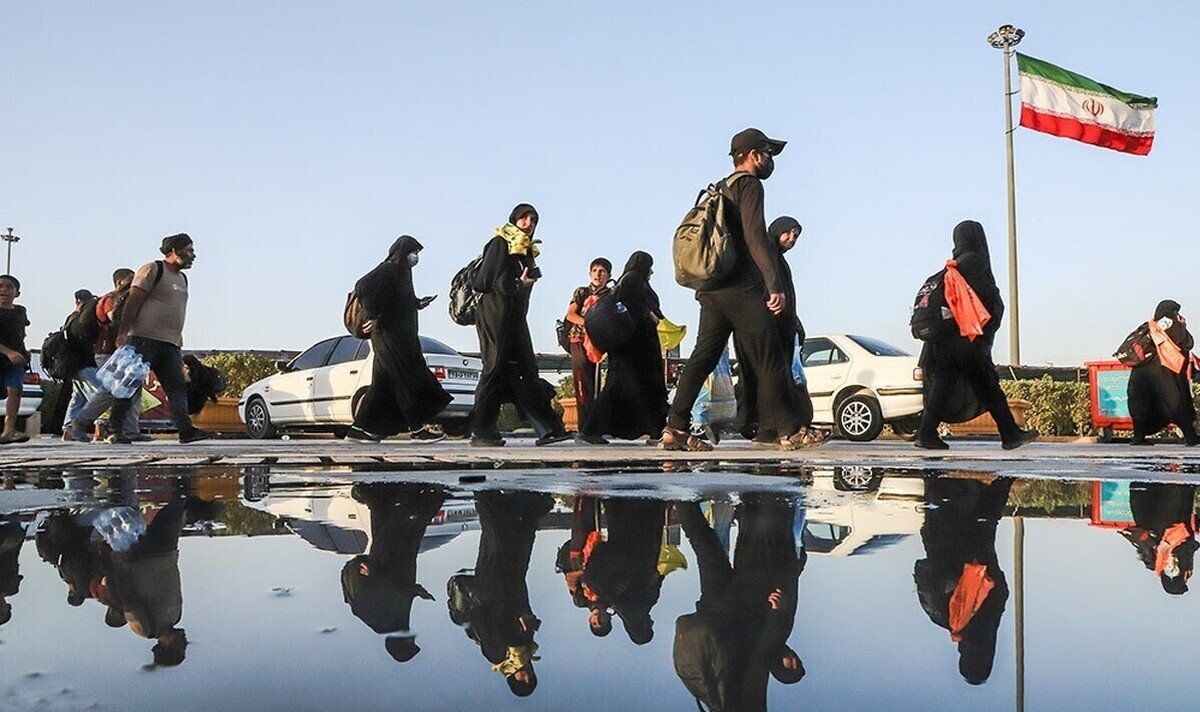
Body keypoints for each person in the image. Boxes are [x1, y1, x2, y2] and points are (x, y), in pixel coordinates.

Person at [662, 129, 812, 452]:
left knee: (702, 357)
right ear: (752, 155)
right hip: (741, 289)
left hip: (712, 291)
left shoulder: (721, 188)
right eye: (767, 153)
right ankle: (789, 430)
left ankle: (674, 427)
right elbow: (756, 237)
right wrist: (773, 283)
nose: (770, 160)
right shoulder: (749, 185)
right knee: (769, 355)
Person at [674, 494, 807, 710]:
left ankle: (681, 490)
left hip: (734, 603)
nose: (794, 659)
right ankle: (679, 492)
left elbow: (761, 653)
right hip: (714, 612)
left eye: (792, 665)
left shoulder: (754, 684)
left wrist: (775, 614)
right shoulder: (719, 696)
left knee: (706, 543)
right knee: (704, 543)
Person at [914, 221, 1038, 450]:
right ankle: (1010, 434)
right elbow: (986, 301)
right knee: (987, 385)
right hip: (965, 339)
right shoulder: (974, 262)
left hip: (944, 340)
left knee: (946, 385)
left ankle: (926, 433)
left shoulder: (950, 267)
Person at [470, 204, 570, 447]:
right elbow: (484, 281)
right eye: (524, 218)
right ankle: (481, 431)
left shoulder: (525, 250)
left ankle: (550, 428)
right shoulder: (500, 243)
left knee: (524, 373)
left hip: (514, 321)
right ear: (514, 219)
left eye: (533, 219)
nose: (529, 223)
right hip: (495, 321)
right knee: (493, 372)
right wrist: (517, 284)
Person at [107, 234, 213, 444]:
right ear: (173, 250)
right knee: (128, 384)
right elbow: (133, 302)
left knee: (177, 388)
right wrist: (123, 333)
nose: (193, 255)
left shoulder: (183, 278)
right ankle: (115, 430)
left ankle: (185, 430)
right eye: (189, 250)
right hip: (143, 339)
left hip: (171, 343)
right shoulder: (153, 269)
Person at [344, 236, 451, 442]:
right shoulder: (390, 268)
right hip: (390, 338)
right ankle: (417, 429)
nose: (415, 257)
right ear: (402, 252)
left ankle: (356, 430)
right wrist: (374, 316)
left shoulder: (403, 274)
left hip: (400, 337)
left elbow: (397, 301)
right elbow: (363, 286)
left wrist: (418, 303)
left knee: (382, 385)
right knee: (406, 380)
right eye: (413, 252)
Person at [447, 491, 552, 697]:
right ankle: (521, 501)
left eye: (524, 680)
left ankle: (485, 491)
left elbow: (479, 616)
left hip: (492, 585)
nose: (528, 675)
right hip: (514, 583)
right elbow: (524, 613)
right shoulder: (527, 649)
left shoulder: (497, 656)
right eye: (532, 678)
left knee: (495, 538)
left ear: (512, 679)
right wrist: (527, 620)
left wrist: (513, 632)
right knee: (519, 541)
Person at [914, 475, 1013, 685]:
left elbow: (999, 591)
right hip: (943, 528)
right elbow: (923, 570)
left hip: (975, 535)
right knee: (937, 470)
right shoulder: (944, 618)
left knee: (987, 515)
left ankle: (1008, 467)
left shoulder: (983, 622)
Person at [735, 216, 824, 444]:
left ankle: (767, 429)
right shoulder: (765, 254)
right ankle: (782, 428)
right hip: (766, 327)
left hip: (780, 327)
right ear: (777, 230)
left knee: (770, 378)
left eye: (795, 236)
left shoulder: (776, 258)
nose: (791, 239)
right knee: (772, 377)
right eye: (788, 233)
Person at [341, 483, 448, 661]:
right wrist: (415, 592)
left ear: (401, 643)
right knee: (389, 524)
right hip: (395, 563)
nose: (413, 638)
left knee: (404, 525)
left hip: (390, 563)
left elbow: (385, 593)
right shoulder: (393, 624)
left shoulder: (383, 623)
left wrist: (409, 590)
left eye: (410, 643)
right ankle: (378, 493)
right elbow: (396, 595)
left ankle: (413, 492)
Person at [579, 252, 669, 443]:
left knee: (639, 389)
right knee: (620, 388)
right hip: (632, 349)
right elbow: (633, 307)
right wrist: (649, 315)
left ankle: (656, 430)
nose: (651, 271)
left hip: (634, 349)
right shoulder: (633, 279)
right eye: (649, 266)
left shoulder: (631, 280)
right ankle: (590, 430)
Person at [67, 269, 145, 442]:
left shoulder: (130, 299)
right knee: (111, 389)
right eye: (130, 281)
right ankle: (80, 422)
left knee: (134, 389)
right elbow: (115, 318)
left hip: (126, 351)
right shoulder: (110, 299)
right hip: (108, 351)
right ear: (119, 283)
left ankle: (131, 430)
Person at [579, 498, 667, 645]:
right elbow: (592, 565)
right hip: (618, 528)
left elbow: (655, 578)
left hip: (644, 536)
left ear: (642, 627)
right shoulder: (606, 593)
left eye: (650, 627)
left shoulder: (644, 603)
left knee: (645, 498)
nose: (652, 622)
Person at [1126, 300, 1199, 445]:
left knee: (1141, 404)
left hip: (1140, 373)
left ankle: (1138, 438)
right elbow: (1187, 342)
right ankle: (1191, 437)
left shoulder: (1149, 326)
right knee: (1176, 402)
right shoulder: (1170, 325)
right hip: (1163, 373)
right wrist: (1181, 325)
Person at [1120, 482, 1197, 595]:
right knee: (1173, 482)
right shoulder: (1181, 557)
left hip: (1157, 516)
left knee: (1166, 481)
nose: (1171, 567)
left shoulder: (1155, 562)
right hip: (1164, 513)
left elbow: (1190, 542)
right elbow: (1187, 537)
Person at [564, 257, 612, 429]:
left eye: (602, 272)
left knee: (596, 384)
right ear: (590, 273)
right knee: (582, 384)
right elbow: (571, 314)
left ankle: (594, 426)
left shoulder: (610, 295)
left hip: (598, 344)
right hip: (579, 340)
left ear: (608, 275)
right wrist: (589, 323)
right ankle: (585, 428)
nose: (598, 275)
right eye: (595, 271)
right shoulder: (582, 292)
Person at [0, 274, 30, 444]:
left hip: (16, 361)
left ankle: (9, 430)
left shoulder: (20, 311)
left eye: (9, 287)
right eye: (0, 286)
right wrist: (8, 351)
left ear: (17, 293)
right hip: (4, 356)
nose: (4, 290)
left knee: (15, 389)